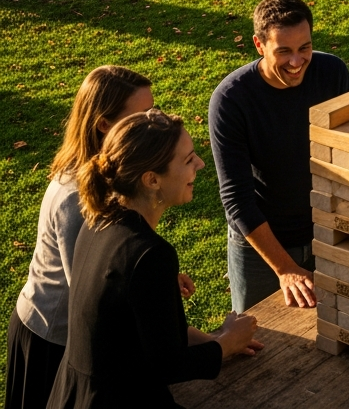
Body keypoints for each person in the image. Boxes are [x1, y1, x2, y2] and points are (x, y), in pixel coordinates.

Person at [46, 109, 260, 409]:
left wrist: (215, 339)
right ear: (152, 180)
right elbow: (169, 365)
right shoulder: (150, 253)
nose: (200, 164)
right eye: (188, 160)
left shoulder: (99, 219)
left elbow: (138, 331)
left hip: (74, 395)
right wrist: (226, 343)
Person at [6, 68, 154, 409]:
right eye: (140, 117)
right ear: (104, 124)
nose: (150, 124)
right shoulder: (76, 197)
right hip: (50, 340)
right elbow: (92, 292)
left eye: (152, 112)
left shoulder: (111, 171)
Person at [209, 0, 349, 313]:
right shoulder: (231, 100)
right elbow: (236, 199)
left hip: (325, 234)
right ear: (259, 45)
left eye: (305, 48)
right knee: (260, 333)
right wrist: (285, 267)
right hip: (261, 247)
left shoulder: (332, 73)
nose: (297, 62)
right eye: (284, 51)